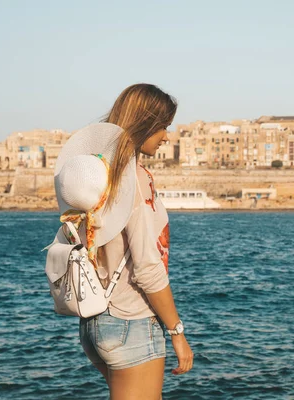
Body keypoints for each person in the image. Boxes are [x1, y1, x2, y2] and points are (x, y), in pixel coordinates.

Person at [53, 83, 193, 399]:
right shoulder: (134, 179)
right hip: (131, 321)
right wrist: (176, 333)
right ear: (143, 124)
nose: (167, 136)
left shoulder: (96, 176)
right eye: (162, 127)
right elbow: (146, 266)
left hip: (93, 323)